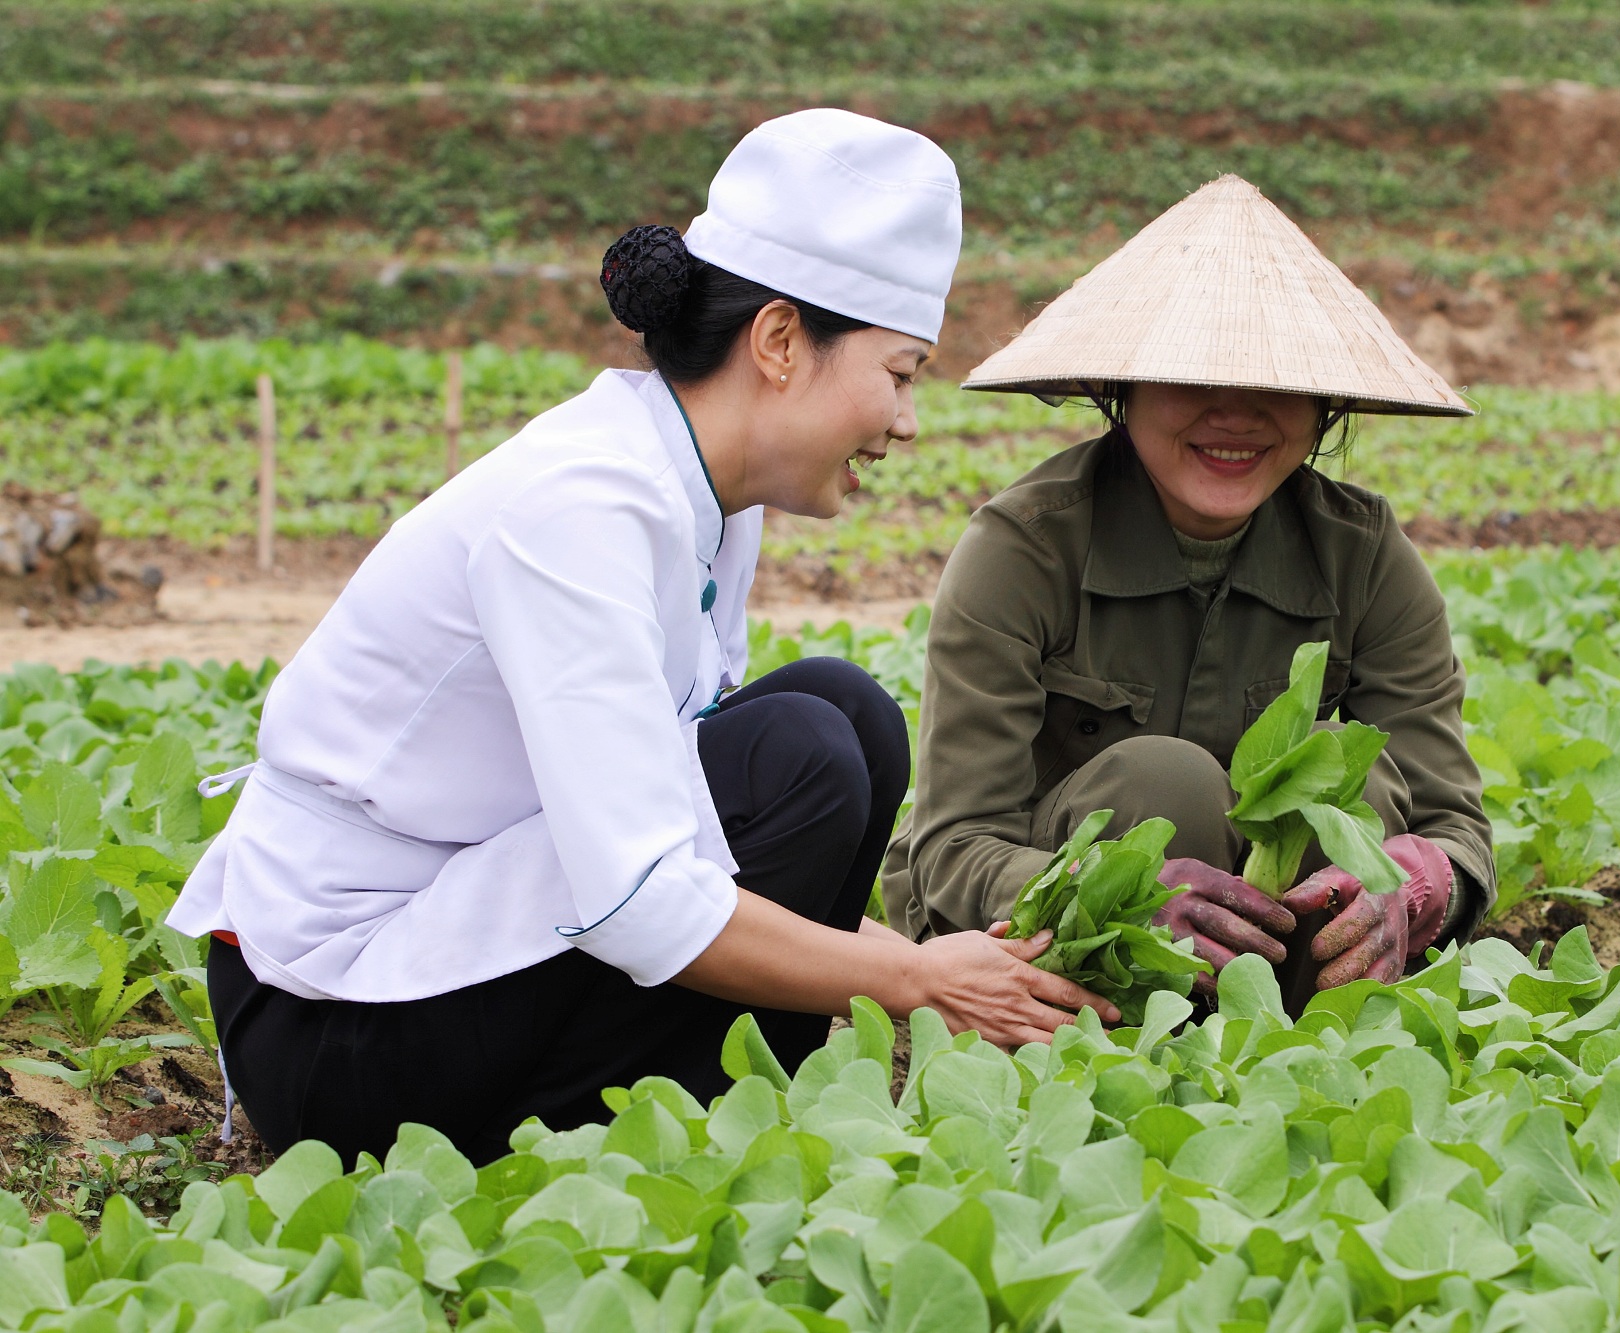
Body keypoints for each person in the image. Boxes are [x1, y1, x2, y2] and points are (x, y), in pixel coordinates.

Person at [167, 110, 1116, 1166]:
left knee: (847, 715)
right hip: (332, 1022)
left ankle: (708, 1110)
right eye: (899, 374)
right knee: (804, 751)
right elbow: (642, 900)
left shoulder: (711, 501)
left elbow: (684, 841)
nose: (906, 421)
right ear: (779, 342)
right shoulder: (582, 504)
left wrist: (951, 968)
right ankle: (624, 1134)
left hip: (447, 952)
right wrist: (917, 980)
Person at [881, 175, 1494, 1010]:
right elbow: (953, 847)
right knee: (1165, 784)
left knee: (1351, 781)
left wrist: (1416, 885)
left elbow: (1454, 827)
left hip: (1288, 970)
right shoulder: (1024, 548)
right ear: (1123, 387)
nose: (1235, 414)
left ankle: (1297, 1035)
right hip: (1049, 956)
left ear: (1323, 402)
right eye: (1191, 376)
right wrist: (1114, 897)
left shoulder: (1365, 555)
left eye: (1276, 382)